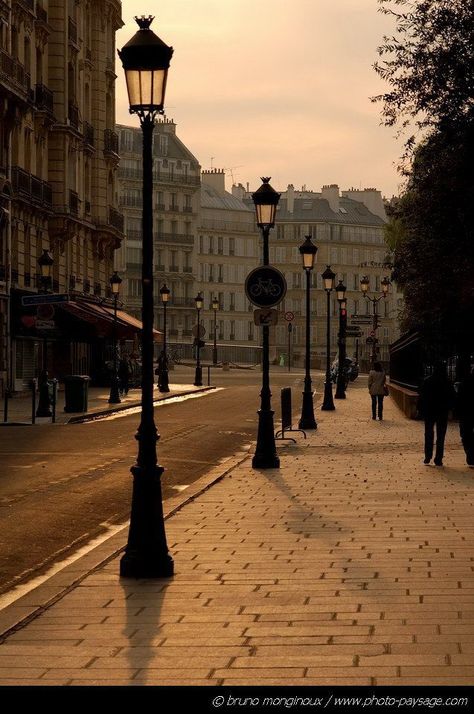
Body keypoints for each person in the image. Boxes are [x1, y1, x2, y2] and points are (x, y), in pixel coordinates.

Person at [417, 363, 456, 466]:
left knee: (428, 433)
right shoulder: (447, 382)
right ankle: (438, 458)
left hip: (429, 411)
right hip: (442, 411)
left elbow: (421, 397)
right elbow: (452, 397)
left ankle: (427, 456)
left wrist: (420, 409)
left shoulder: (427, 381)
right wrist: (451, 409)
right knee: (441, 436)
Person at [456, 365, 474, 468]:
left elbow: (459, 399)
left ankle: (470, 455)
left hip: (466, 413)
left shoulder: (465, 382)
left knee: (465, 435)